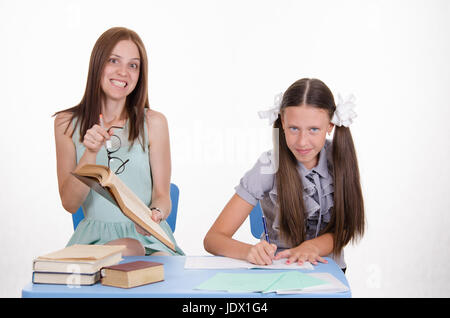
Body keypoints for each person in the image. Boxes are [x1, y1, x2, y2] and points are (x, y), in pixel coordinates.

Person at [203, 78, 365, 271]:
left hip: (329, 270)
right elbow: (213, 239)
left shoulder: (340, 160)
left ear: (330, 126)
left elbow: (345, 229)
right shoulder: (268, 166)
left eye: (314, 129)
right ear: (282, 122)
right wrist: (248, 251)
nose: (302, 142)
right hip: (277, 269)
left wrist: (312, 246)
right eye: (294, 128)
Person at [54, 27, 184, 256]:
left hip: (147, 238)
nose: (123, 72)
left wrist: (155, 213)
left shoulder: (154, 123)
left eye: (133, 65)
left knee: (153, 258)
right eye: (114, 60)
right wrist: (91, 152)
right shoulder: (66, 123)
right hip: (95, 242)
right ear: (98, 65)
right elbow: (70, 204)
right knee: (126, 250)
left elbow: (162, 196)